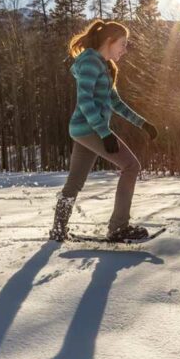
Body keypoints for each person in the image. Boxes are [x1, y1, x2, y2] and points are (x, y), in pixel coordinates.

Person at [49, 19, 158, 242]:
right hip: (89, 128)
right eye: (123, 44)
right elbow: (85, 100)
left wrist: (143, 124)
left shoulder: (104, 66)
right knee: (131, 166)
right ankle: (119, 227)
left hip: (85, 129)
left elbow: (115, 103)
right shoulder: (89, 61)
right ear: (110, 41)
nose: (125, 50)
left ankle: (58, 229)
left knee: (74, 182)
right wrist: (104, 132)